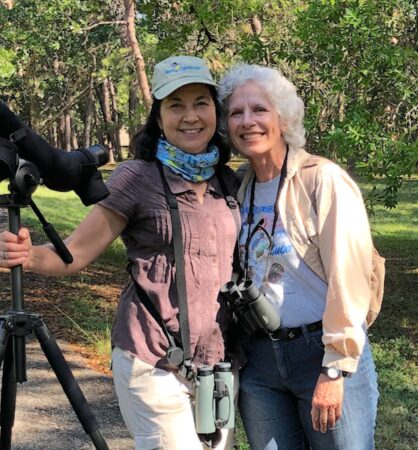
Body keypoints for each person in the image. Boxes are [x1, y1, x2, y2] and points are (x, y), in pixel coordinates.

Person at [0, 56, 240, 450]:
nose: (190, 116)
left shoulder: (229, 181)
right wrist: (26, 255)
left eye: (201, 102)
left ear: (216, 110)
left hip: (218, 361)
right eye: (175, 105)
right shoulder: (138, 177)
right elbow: (75, 252)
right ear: (158, 117)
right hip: (154, 357)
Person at [217, 64, 379, 450]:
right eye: (236, 113)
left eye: (259, 109)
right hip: (260, 362)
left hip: (321, 353)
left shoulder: (322, 180)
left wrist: (334, 368)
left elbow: (351, 278)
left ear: (283, 117)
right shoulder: (240, 187)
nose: (247, 121)